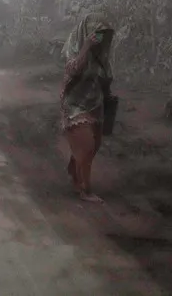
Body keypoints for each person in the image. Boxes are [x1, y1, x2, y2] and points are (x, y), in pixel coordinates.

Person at [60, 12, 114, 203]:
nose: (100, 37)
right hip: (75, 105)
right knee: (87, 147)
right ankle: (85, 189)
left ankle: (75, 168)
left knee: (94, 146)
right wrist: (86, 47)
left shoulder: (102, 55)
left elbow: (105, 79)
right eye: (97, 32)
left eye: (104, 33)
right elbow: (73, 69)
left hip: (95, 105)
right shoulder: (76, 49)